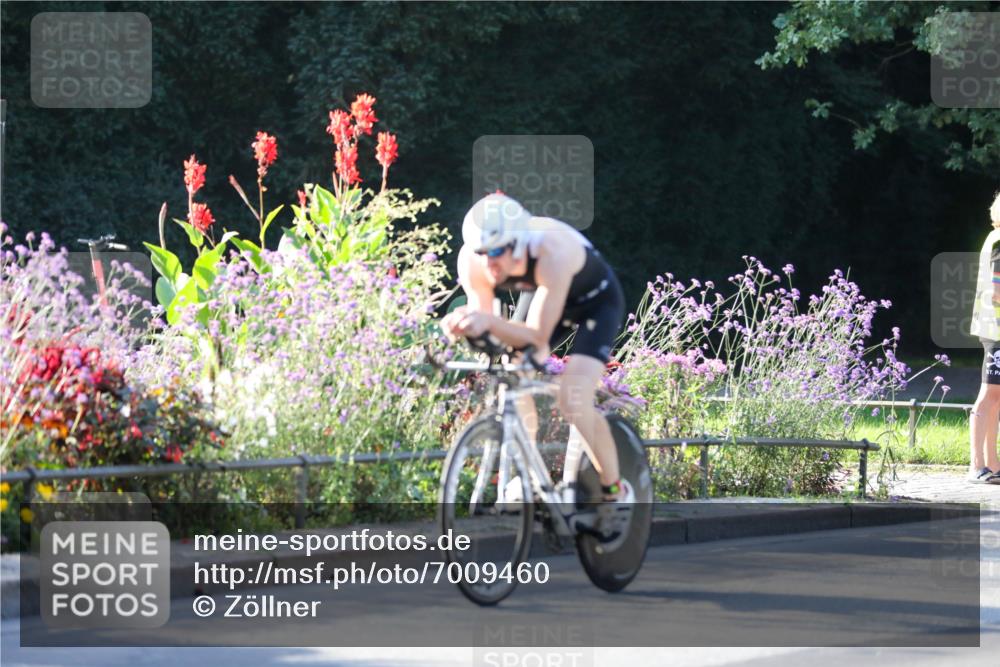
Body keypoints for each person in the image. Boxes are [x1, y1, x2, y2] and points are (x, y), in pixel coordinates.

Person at [441, 193, 634, 527]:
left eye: (498, 252)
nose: (490, 264)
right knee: (512, 376)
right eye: (482, 253)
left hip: (594, 304)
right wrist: (464, 325)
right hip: (546, 293)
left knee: (573, 398)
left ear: (518, 243)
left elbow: (537, 337)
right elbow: (491, 327)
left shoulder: (551, 251)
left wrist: (485, 322)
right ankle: (529, 478)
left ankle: (615, 491)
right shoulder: (472, 261)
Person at [968, 190, 1000, 484]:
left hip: (993, 327)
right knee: (989, 396)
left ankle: (992, 464)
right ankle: (977, 465)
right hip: (997, 330)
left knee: (996, 397)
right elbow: (997, 290)